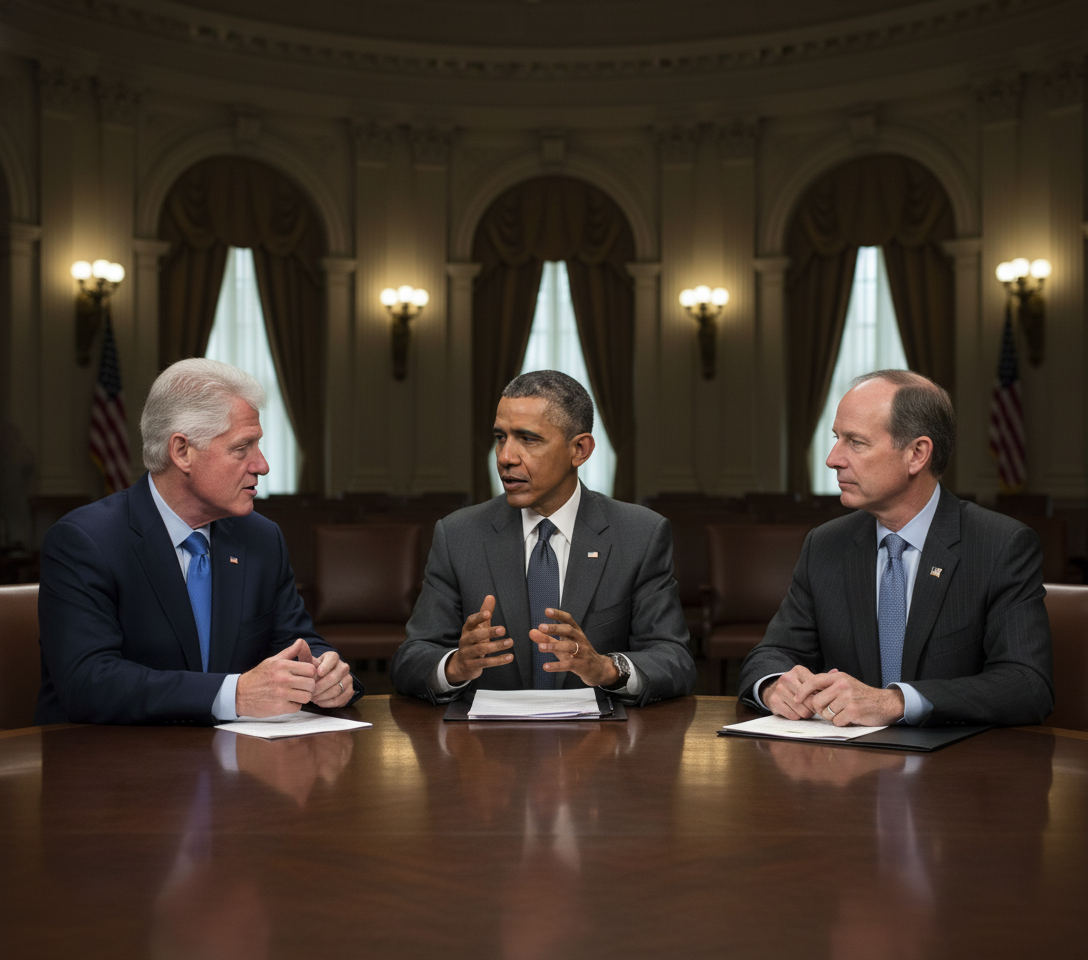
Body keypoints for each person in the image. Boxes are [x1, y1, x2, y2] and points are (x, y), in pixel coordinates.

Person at [34, 358, 362, 725]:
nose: (262, 465)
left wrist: (326, 674)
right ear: (182, 451)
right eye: (242, 448)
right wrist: (234, 695)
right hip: (109, 765)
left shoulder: (261, 538)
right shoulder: (85, 541)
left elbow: (297, 643)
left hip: (235, 763)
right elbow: (88, 682)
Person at [738, 369, 1053, 728]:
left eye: (855, 442)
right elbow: (771, 654)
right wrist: (774, 686)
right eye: (836, 438)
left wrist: (896, 702)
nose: (833, 459)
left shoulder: (1000, 545)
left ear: (917, 454)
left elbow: (1028, 685)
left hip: (957, 768)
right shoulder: (824, 545)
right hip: (843, 769)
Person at [390, 370, 696, 704]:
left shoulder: (640, 534)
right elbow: (410, 660)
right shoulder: (459, 534)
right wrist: (454, 666)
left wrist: (608, 669)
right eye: (500, 437)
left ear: (579, 449)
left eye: (528, 439)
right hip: (485, 747)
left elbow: (675, 661)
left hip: (601, 744)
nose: (506, 457)